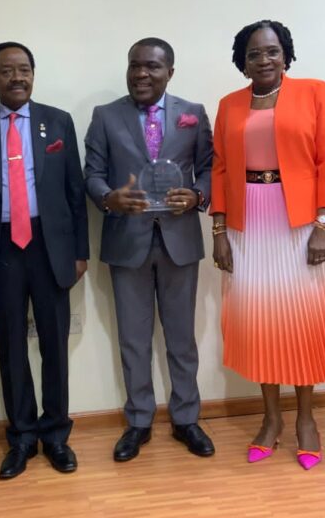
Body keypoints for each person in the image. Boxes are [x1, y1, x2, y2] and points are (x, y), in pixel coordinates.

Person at [211, 20, 325, 470]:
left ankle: (306, 420)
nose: (264, 60)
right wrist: (219, 232)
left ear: (286, 55)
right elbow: (220, 171)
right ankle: (271, 420)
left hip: (301, 222)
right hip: (247, 224)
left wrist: (323, 225)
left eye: (272, 51)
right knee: (258, 322)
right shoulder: (229, 105)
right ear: (242, 61)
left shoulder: (313, 93)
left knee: (303, 322)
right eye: (254, 54)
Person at [0, 42, 89, 479]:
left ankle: (56, 435)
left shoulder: (58, 121)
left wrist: (80, 252)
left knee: (55, 346)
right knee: (10, 347)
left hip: (51, 248)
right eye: (7, 71)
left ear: (34, 74)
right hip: (1, 250)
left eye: (25, 69)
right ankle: (23, 437)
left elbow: (74, 192)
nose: (18, 78)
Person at [85, 37, 215, 462]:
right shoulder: (106, 116)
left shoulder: (193, 114)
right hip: (128, 241)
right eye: (135, 66)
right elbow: (93, 172)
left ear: (169, 72)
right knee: (134, 339)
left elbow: (212, 167)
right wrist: (108, 200)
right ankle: (138, 421)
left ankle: (186, 418)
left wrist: (198, 196)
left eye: (152, 67)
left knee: (181, 339)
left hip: (179, 240)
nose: (141, 74)